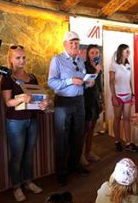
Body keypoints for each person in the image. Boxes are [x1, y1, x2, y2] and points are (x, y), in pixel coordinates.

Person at [1, 45, 51, 202]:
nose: (21, 60)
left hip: (33, 120)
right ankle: (16, 186)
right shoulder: (7, 78)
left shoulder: (32, 77)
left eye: (23, 57)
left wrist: (45, 102)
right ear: (10, 60)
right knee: (17, 155)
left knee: (29, 153)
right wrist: (21, 98)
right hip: (15, 122)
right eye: (17, 57)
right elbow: (8, 102)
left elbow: (39, 99)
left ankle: (28, 182)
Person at [48, 31, 93, 186]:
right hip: (63, 102)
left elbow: (82, 80)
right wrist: (70, 81)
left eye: (76, 43)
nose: (74, 45)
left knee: (78, 136)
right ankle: (61, 172)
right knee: (62, 138)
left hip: (79, 101)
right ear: (65, 45)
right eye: (71, 43)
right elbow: (52, 82)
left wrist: (88, 83)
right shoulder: (57, 60)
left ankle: (74, 166)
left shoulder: (80, 61)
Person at [109, 44, 138, 152]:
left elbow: (129, 81)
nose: (129, 52)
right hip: (118, 96)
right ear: (121, 52)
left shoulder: (128, 65)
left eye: (129, 51)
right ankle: (117, 141)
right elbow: (111, 82)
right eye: (127, 51)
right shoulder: (113, 65)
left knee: (127, 119)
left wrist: (133, 94)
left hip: (128, 95)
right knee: (117, 118)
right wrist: (114, 96)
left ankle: (128, 143)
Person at [80, 44, 103, 166]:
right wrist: (97, 70)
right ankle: (81, 154)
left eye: (97, 53)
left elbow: (99, 84)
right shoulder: (84, 66)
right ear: (88, 54)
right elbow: (87, 82)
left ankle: (88, 152)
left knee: (92, 129)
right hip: (86, 99)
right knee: (85, 128)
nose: (95, 55)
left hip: (95, 100)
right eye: (92, 52)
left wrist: (101, 99)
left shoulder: (99, 66)